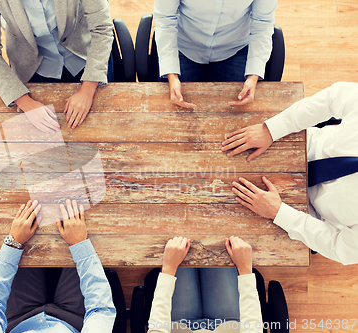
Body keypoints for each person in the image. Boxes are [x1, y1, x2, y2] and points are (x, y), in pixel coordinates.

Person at [222, 82, 358, 265]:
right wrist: (273, 129)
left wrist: (279, 213)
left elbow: (340, 248)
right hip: (297, 144)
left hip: (305, 215)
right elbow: (332, 99)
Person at [0, 199, 116, 333]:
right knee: (89, 227)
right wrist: (80, 245)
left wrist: (13, 243)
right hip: (75, 321)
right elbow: (101, 311)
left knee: (23, 219)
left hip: (18, 320)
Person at [0, 0, 114, 130]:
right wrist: (26, 103)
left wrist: (87, 91)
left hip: (88, 59)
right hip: (32, 69)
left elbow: (102, 29)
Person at [153, 0, 277, 108]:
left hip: (235, 47)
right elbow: (165, 19)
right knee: (175, 112)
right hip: (185, 45)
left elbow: (263, 23)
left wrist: (253, 75)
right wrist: (171, 74)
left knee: (237, 115)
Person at [147, 236, 262, 332]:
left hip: (180, 325)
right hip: (228, 325)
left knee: (179, 239)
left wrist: (169, 269)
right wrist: (245, 271)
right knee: (221, 242)